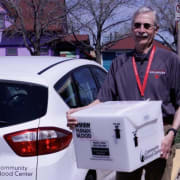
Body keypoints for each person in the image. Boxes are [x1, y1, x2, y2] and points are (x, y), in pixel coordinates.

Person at [67, 6, 180, 180]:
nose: (141, 30)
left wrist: (171, 134)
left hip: (160, 132)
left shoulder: (170, 60)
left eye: (147, 26)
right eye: (137, 25)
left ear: (155, 30)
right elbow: (102, 100)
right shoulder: (119, 63)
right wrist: (81, 113)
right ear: (132, 29)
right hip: (128, 133)